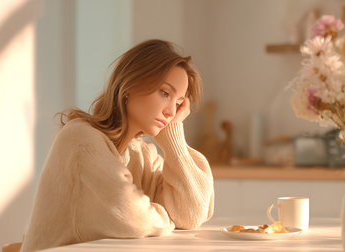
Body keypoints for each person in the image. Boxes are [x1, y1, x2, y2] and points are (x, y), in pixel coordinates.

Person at [20, 39, 214, 252]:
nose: (171, 112)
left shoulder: (141, 154)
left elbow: (190, 215)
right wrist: (166, 218)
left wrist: (172, 136)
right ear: (130, 85)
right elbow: (130, 216)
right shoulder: (80, 139)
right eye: (165, 93)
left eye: (178, 103)